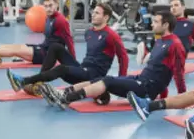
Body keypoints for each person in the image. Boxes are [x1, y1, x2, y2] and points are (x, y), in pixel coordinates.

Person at [38, 11, 186, 109]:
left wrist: (181, 99)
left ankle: (67, 98)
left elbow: (178, 73)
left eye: (155, 22)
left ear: (166, 25)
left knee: (107, 81)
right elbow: (160, 70)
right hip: (141, 80)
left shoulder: (175, 45)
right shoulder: (160, 41)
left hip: (146, 89)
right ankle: (63, 93)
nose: (152, 24)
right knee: (101, 78)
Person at [5, 3, 129, 90]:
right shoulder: (89, 32)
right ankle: (39, 80)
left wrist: (120, 82)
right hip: (83, 69)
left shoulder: (111, 35)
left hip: (93, 76)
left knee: (62, 69)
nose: (93, 14)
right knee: (55, 47)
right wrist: (73, 62)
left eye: (97, 13)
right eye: (93, 12)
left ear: (106, 17)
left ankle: (23, 81)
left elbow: (123, 57)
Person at [0, 0, 74, 70]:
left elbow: (69, 42)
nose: (48, 9)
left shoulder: (61, 20)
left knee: (17, 50)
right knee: (16, 46)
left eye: (51, 5)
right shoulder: (48, 18)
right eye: (46, 6)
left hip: (47, 55)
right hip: (43, 48)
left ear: (56, 5)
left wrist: (73, 63)